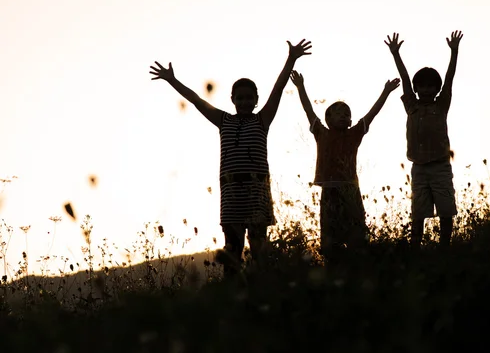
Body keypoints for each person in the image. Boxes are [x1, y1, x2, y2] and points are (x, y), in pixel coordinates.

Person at [150, 39, 312, 277]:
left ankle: (262, 291)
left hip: (257, 192)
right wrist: (172, 80)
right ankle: (232, 295)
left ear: (256, 100)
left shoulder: (262, 120)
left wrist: (291, 59)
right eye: (240, 98)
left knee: (260, 252)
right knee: (232, 253)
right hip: (231, 195)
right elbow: (196, 100)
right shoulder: (224, 121)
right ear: (232, 100)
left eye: (249, 98)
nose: (245, 102)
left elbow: (277, 90)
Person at [290, 70, 400, 265]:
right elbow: (309, 110)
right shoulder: (321, 133)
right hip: (329, 190)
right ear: (328, 120)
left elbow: (372, 114)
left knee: (357, 237)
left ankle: (357, 269)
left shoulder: (354, 134)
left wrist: (386, 91)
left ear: (351, 120)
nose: (344, 116)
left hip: (350, 190)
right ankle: (334, 270)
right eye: (338, 113)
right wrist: (300, 87)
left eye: (347, 114)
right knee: (331, 241)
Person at [384, 31, 463, 247]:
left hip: (440, 167)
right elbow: (406, 80)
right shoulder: (412, 105)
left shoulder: (441, 105)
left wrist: (454, 52)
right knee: (418, 212)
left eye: (431, 86)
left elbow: (449, 79)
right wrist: (396, 54)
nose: (427, 89)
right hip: (418, 168)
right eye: (423, 86)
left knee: (446, 209)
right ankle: (415, 246)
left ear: (437, 89)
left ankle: (445, 246)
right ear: (417, 89)